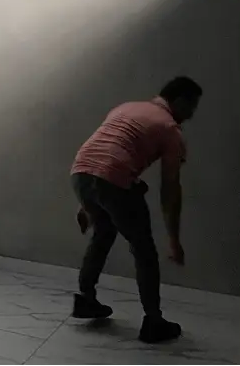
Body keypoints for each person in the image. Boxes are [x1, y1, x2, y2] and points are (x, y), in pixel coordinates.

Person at [69, 76, 202, 344]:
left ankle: (86, 299)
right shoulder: (169, 129)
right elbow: (170, 188)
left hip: (80, 172)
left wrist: (87, 204)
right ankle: (153, 322)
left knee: (104, 232)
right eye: (192, 106)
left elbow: (101, 157)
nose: (192, 114)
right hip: (111, 180)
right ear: (178, 101)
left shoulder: (126, 108)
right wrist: (174, 240)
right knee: (144, 252)